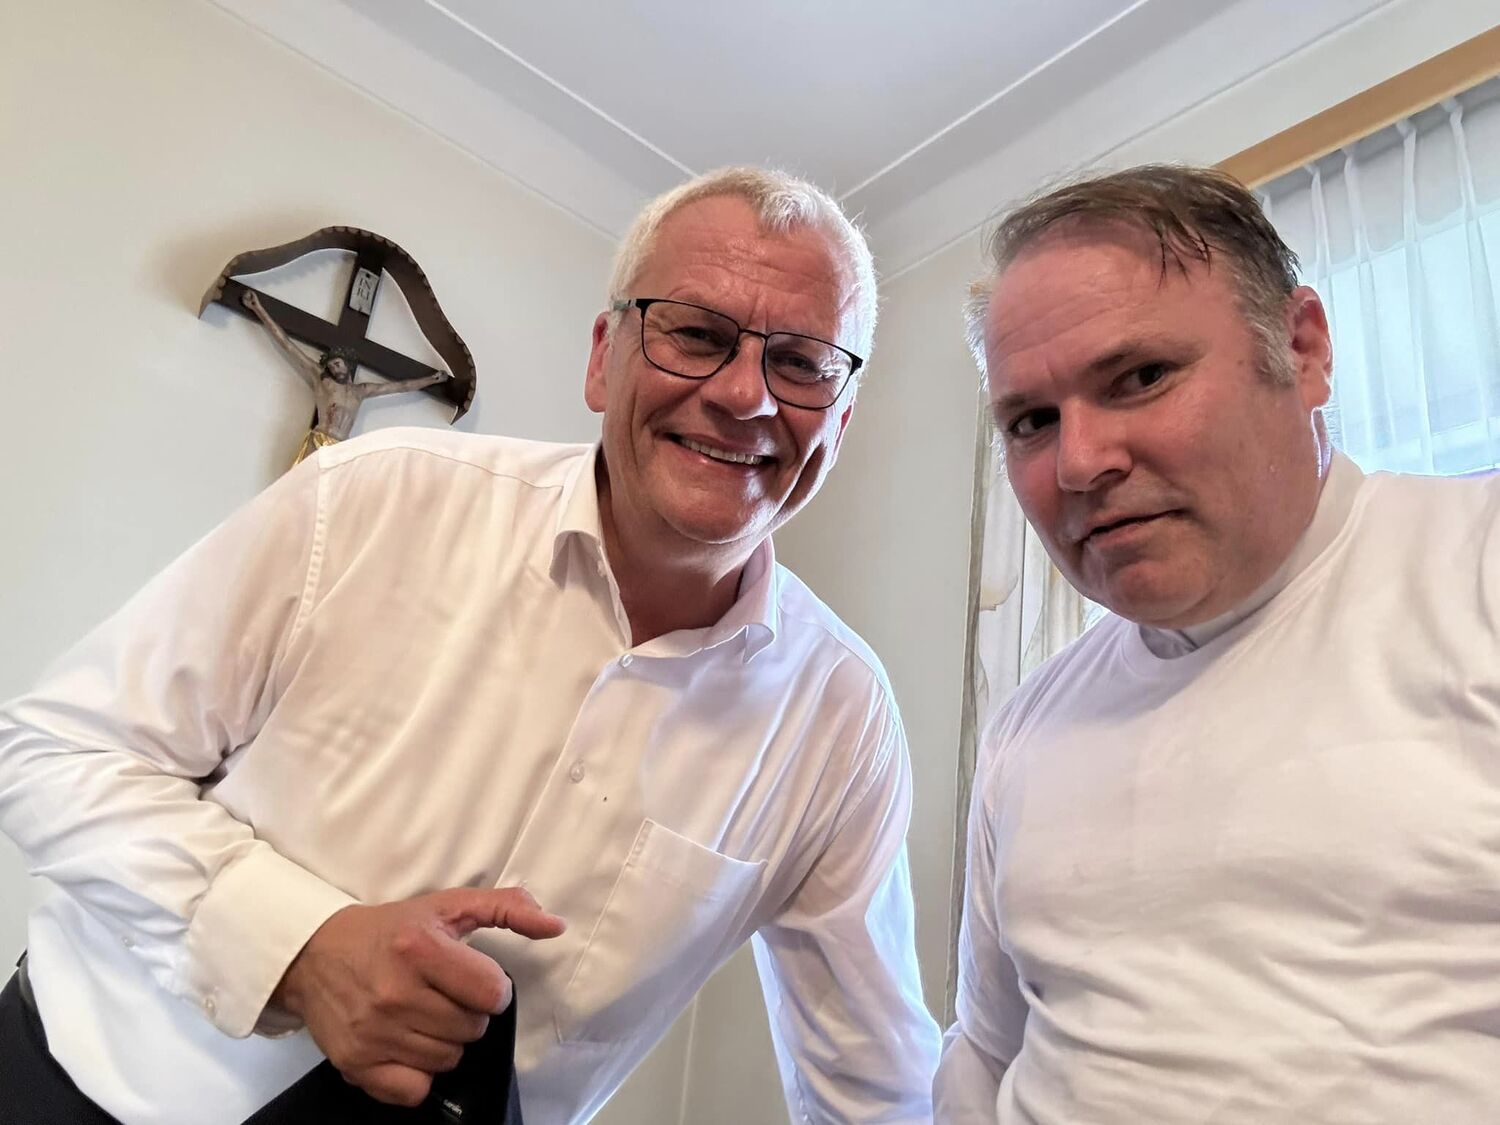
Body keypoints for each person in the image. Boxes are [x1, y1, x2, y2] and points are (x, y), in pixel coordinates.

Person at [0, 165, 941, 1124]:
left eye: (802, 363)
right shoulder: (374, 494)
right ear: (604, 357)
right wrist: (297, 948)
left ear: (841, 419)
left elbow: (874, 1080)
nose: (744, 395)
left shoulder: (842, 724)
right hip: (77, 1093)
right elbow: (54, 751)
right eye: (696, 334)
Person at [934, 164, 1500, 1123]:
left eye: (1141, 377)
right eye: (1031, 421)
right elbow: (986, 1050)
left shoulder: (1474, 565)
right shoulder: (1028, 725)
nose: (1079, 462)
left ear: (1303, 349)